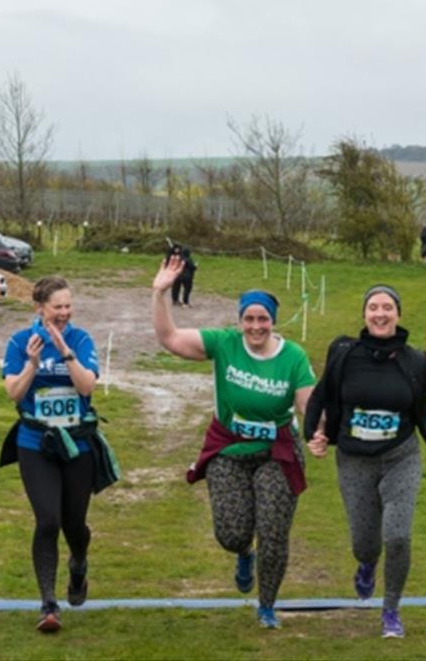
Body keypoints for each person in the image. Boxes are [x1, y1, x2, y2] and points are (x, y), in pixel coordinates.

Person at [303, 284, 426, 639]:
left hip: (400, 457)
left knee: (399, 535)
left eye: (387, 307)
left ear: (398, 314)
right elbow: (320, 395)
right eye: (373, 307)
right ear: (364, 314)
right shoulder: (344, 353)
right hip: (354, 459)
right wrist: (313, 434)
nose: (380, 313)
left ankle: (391, 609)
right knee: (365, 542)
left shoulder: (414, 361)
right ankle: (366, 565)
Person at [152, 255, 315, 630]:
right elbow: (170, 339)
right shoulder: (224, 344)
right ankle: (243, 553)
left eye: (263, 319)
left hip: (278, 451)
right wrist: (160, 293)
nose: (255, 326)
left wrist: (320, 430)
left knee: (273, 531)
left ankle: (267, 605)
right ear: (240, 320)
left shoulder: (293, 357)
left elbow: (307, 406)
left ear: (273, 321)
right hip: (229, 449)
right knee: (232, 533)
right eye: (249, 319)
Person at [2, 275, 118, 634]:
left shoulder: (81, 339)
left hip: (78, 445)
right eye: (58, 307)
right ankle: (49, 604)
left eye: (68, 306)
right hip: (35, 443)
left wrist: (65, 352)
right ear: (40, 308)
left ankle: (79, 562)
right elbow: (14, 394)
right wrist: (33, 364)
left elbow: (87, 386)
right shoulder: (21, 342)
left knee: (74, 525)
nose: (64, 313)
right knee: (47, 521)